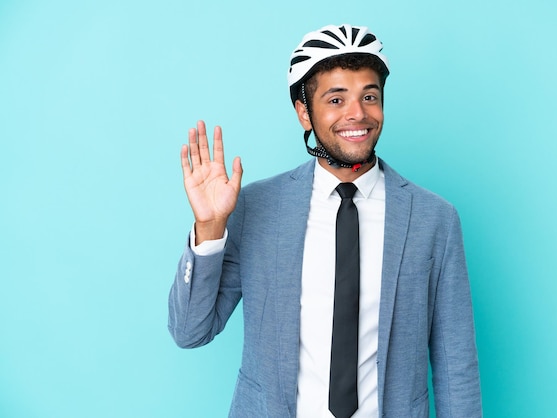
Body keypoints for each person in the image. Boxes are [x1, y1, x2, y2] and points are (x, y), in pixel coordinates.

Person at [168, 24, 482, 418]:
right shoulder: (255, 209)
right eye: (336, 99)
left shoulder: (434, 218)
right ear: (304, 113)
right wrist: (211, 228)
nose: (358, 113)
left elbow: (457, 368)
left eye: (370, 96)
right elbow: (189, 331)